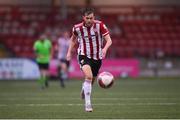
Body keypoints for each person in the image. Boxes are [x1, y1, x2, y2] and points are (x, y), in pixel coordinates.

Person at [66, 8, 112, 112]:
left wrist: (104, 49)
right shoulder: (77, 28)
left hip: (97, 57)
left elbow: (109, 40)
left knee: (92, 80)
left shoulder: (100, 25)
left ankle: (84, 87)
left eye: (91, 18)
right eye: (87, 18)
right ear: (83, 18)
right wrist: (69, 52)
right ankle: (88, 104)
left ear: (94, 17)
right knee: (89, 76)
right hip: (84, 55)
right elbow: (73, 40)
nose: (89, 20)